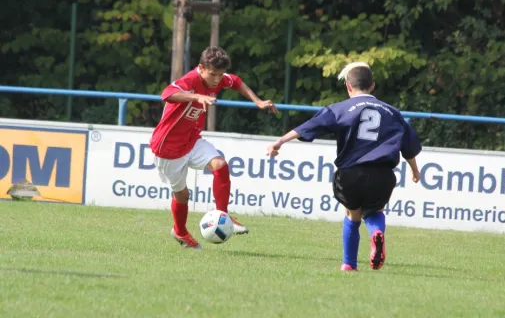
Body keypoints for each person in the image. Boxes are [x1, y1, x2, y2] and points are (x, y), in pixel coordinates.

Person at [266, 62, 421, 271]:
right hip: (382, 174)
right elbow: (408, 147)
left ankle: (349, 263)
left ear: (348, 86)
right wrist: (415, 170)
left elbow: (307, 127)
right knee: (375, 210)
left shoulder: (339, 108)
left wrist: (280, 141)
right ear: (372, 86)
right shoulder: (393, 113)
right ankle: (377, 233)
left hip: (350, 174)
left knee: (352, 214)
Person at [150, 46, 278, 250]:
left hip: (191, 140)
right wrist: (196, 97)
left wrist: (258, 101)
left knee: (220, 165)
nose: (217, 80)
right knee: (182, 195)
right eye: (213, 74)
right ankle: (180, 232)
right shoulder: (191, 80)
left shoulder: (217, 78)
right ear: (201, 68)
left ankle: (223, 216)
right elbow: (167, 93)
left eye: (219, 75)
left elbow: (235, 81)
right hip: (168, 147)